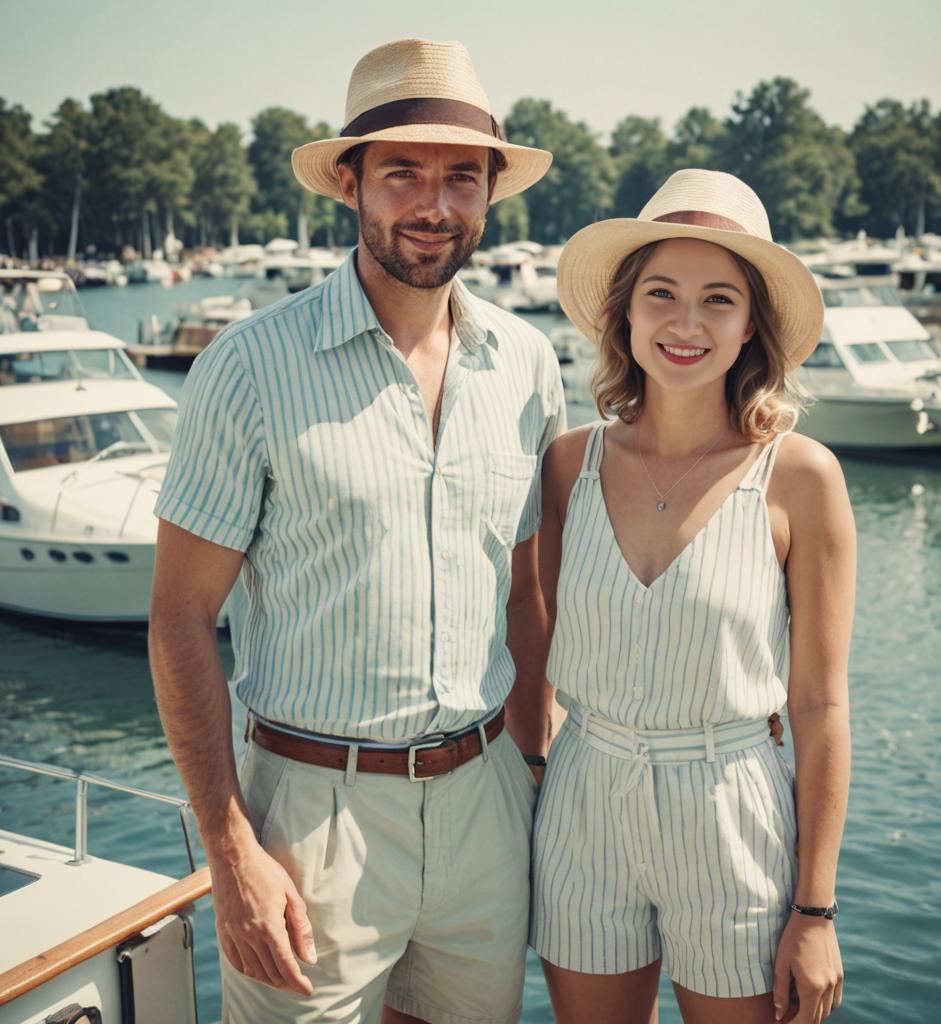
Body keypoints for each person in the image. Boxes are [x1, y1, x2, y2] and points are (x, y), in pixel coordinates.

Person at [149, 38, 563, 1024]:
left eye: (461, 176)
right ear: (350, 185)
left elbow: (523, 593)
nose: (434, 204)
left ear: (491, 193)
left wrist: (534, 773)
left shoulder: (527, 364)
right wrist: (230, 846)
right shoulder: (248, 367)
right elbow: (178, 619)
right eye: (402, 174)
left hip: (484, 801)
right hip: (307, 814)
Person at [530, 170, 854, 1024]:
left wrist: (815, 912)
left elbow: (820, 704)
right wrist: (537, 769)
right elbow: (536, 647)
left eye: (718, 300)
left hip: (733, 812)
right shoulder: (568, 466)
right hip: (584, 803)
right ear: (625, 314)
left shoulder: (801, 479)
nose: (685, 323)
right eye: (661, 295)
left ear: (752, 328)